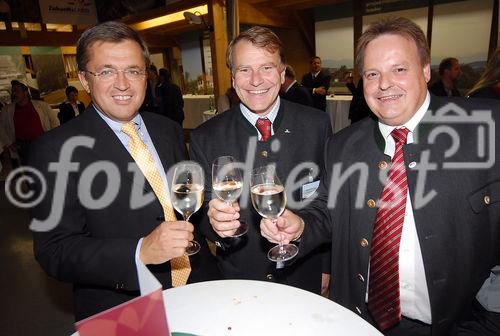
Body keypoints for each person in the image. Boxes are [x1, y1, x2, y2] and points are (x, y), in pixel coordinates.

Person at [260, 17, 500, 335]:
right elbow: (327, 211)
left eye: (399, 69)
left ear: (426, 71)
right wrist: (301, 224)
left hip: (457, 324)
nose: (384, 84)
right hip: (360, 321)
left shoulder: (487, 128)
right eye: (373, 74)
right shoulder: (343, 145)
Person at [29, 21, 219, 321]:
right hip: (123, 308)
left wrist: (217, 222)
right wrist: (139, 252)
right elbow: (54, 251)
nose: (122, 84)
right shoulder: (54, 149)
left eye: (133, 70)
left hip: (199, 288)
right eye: (106, 71)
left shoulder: (168, 130)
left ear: (146, 75)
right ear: (84, 80)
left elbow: (184, 207)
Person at [189, 26, 332, 295]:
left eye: (266, 68)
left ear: (281, 73)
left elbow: (328, 201)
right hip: (239, 281)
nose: (256, 80)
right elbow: (202, 216)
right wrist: (215, 224)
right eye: (244, 70)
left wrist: (327, 265)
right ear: (232, 77)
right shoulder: (204, 137)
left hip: (303, 274)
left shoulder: (317, 125)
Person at [0, 80, 58, 165]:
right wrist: (9, 143)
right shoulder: (7, 110)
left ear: (25, 93)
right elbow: (1, 128)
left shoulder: (42, 106)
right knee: (30, 171)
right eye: (13, 91)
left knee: (46, 167)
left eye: (17, 91)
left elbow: (55, 122)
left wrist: (52, 139)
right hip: (23, 147)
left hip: (41, 143)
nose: (14, 94)